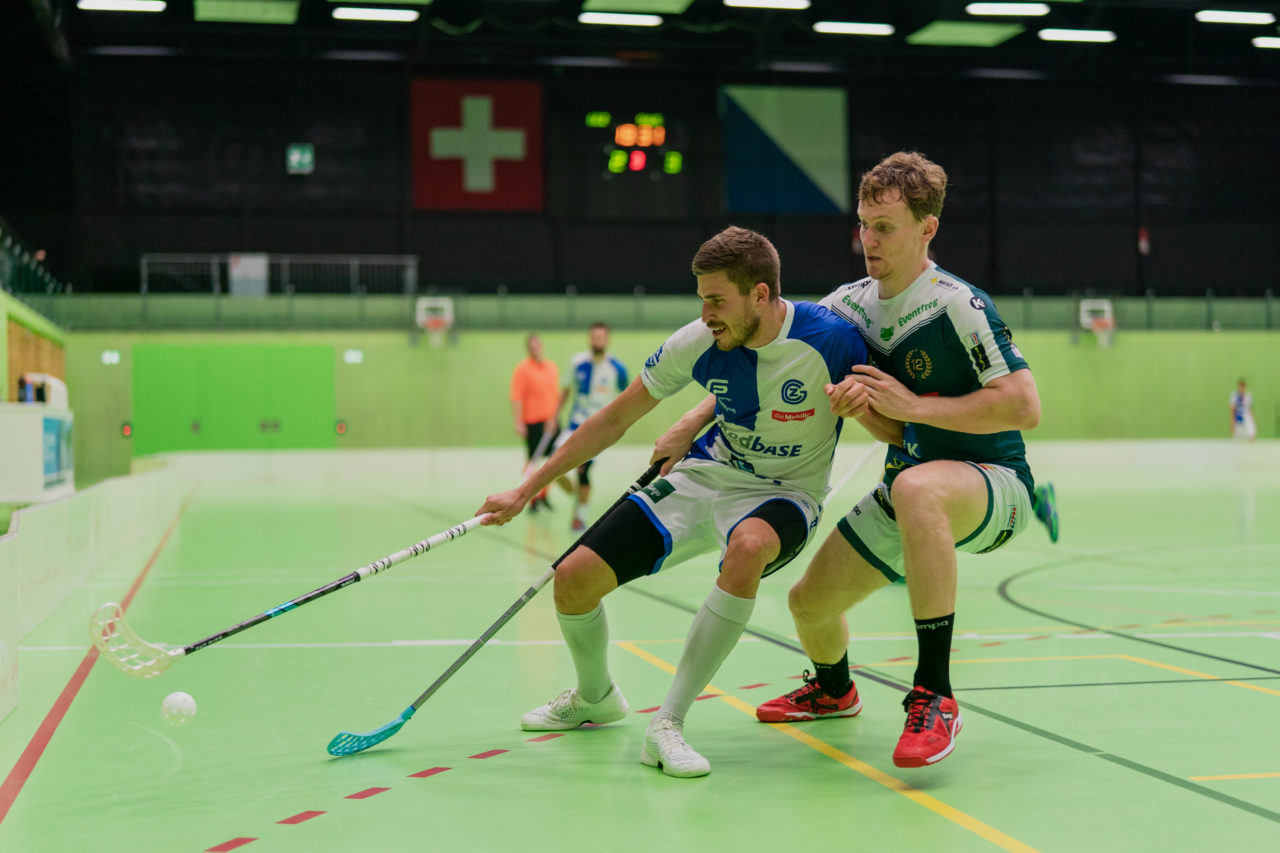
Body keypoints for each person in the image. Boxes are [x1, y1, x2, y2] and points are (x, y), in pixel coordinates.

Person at [669, 152, 1056, 770]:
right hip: (909, 489)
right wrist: (693, 419)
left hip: (994, 485)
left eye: (884, 227)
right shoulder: (848, 304)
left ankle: (935, 694)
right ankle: (834, 690)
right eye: (863, 224)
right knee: (809, 605)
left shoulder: (958, 304)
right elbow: (774, 355)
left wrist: (912, 407)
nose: (868, 240)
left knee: (918, 489)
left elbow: (1024, 405)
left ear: (927, 229)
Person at [477, 226, 869, 778]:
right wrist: (526, 488)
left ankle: (668, 723)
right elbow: (613, 418)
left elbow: (888, 411)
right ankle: (595, 696)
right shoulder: (699, 341)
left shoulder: (832, 341)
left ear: (759, 294)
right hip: (707, 473)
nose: (706, 314)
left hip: (786, 493)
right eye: (701, 299)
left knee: (748, 548)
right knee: (573, 577)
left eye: (717, 300)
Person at [555, 321, 629, 532]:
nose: (598, 342)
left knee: (583, 470)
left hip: (599, 429)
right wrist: (554, 416)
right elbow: (566, 390)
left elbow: (628, 397)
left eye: (601, 338)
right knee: (553, 463)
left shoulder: (617, 369)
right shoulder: (577, 362)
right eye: (594, 338)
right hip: (575, 424)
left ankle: (579, 516)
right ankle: (578, 496)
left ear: (607, 340)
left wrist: (620, 423)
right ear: (590, 339)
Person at [509, 333, 561, 512]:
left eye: (537, 345)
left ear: (542, 346)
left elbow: (555, 395)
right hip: (533, 422)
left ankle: (544, 495)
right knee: (533, 461)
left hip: (551, 422)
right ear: (528, 349)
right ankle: (529, 499)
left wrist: (554, 417)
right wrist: (518, 422)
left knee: (553, 461)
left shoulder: (552, 367)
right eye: (531, 347)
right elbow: (516, 396)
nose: (535, 349)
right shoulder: (522, 369)